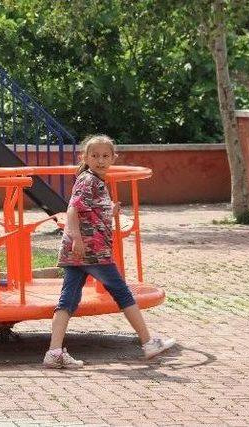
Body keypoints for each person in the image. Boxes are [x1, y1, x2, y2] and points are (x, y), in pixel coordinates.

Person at [43, 134, 175, 369]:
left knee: (68, 300)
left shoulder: (92, 179)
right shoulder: (89, 180)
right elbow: (72, 209)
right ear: (85, 157)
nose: (100, 160)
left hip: (80, 251)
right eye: (94, 156)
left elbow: (87, 209)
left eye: (105, 156)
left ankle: (54, 352)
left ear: (113, 157)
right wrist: (77, 239)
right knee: (123, 293)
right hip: (91, 250)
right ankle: (148, 342)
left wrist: (108, 211)